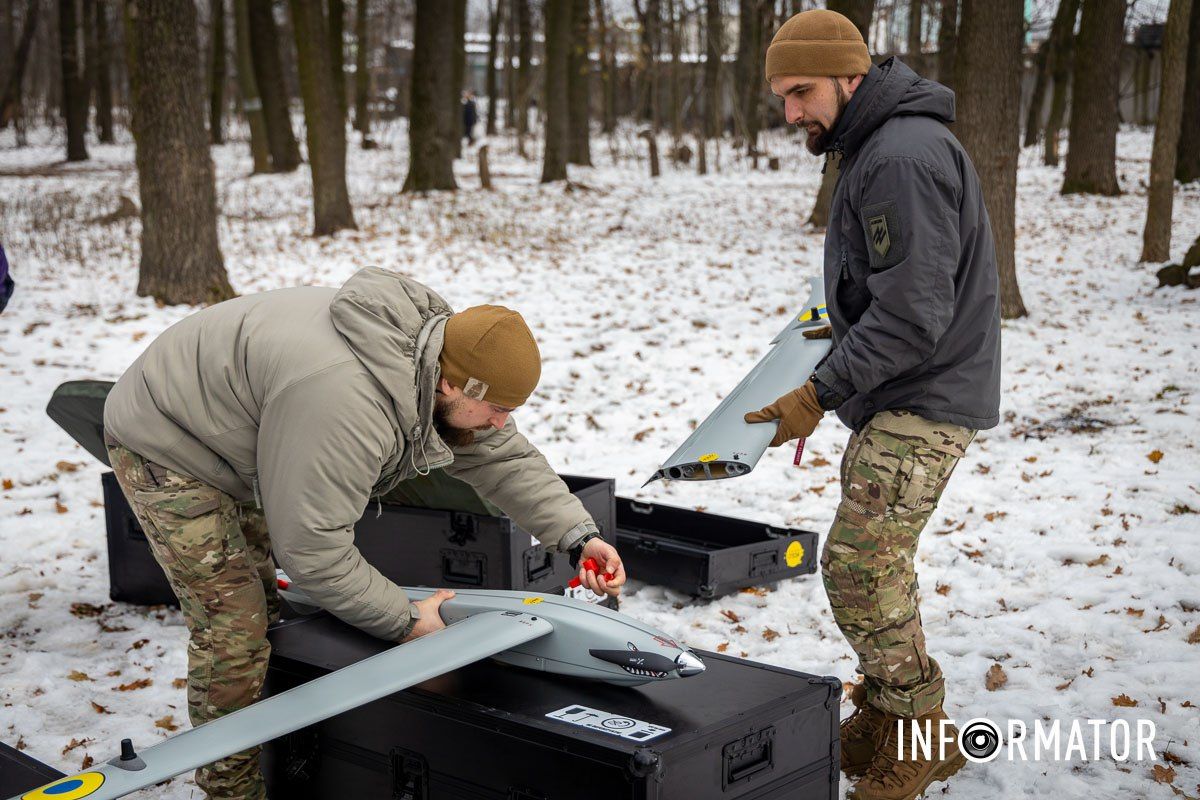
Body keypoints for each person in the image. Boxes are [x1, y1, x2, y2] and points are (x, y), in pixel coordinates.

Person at [103, 267, 625, 800]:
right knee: (233, 623)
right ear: (450, 382)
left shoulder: (443, 361)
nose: (499, 422)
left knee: (261, 598)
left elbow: (502, 455)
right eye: (496, 408)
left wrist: (580, 536)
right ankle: (231, 789)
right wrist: (405, 621)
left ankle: (274, 741)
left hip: (241, 427)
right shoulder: (346, 403)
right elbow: (313, 552)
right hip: (166, 438)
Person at [745, 10, 1001, 800]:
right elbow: (883, 291)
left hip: (926, 395)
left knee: (859, 569)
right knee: (871, 566)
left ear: (850, 78)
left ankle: (921, 733)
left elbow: (912, 314)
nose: (791, 113)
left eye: (801, 92)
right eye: (782, 95)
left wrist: (818, 393)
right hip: (902, 391)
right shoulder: (875, 144)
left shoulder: (899, 155)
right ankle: (894, 713)